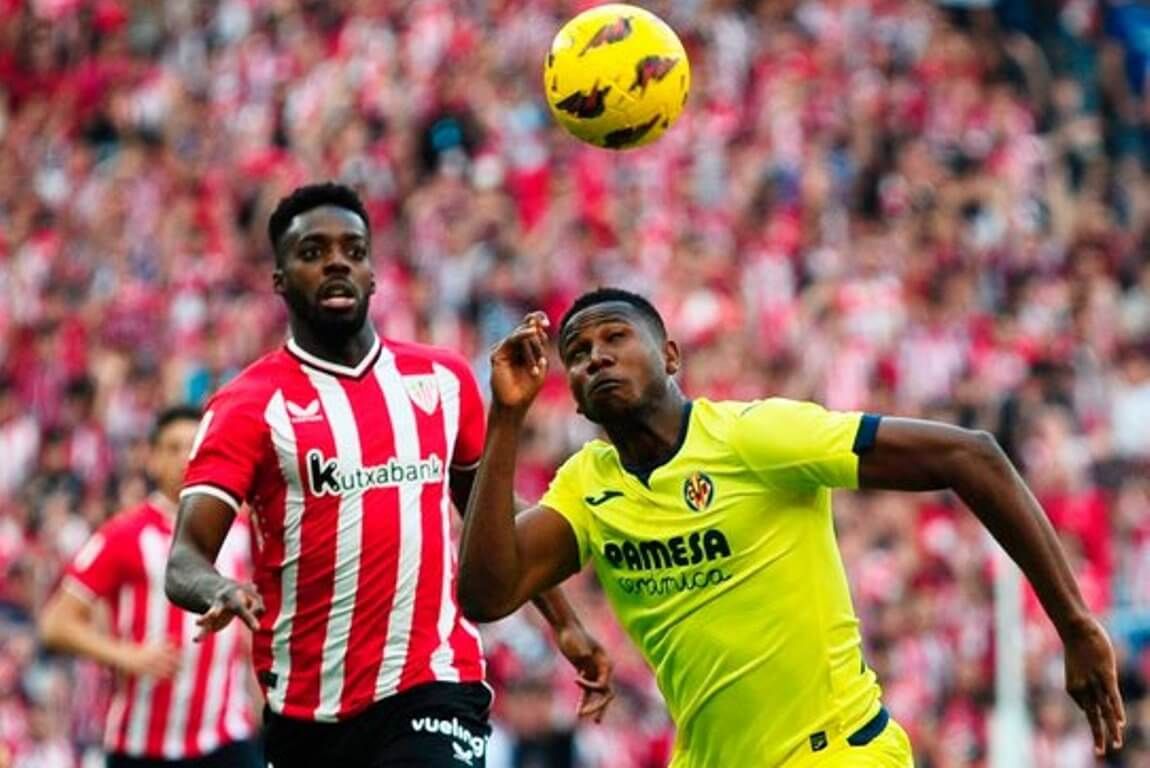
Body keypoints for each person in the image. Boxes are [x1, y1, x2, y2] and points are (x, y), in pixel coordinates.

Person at [456, 287, 1128, 767]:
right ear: (569, 394)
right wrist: (506, 418)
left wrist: (1073, 623)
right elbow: (487, 594)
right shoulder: (587, 483)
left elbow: (969, 454)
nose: (594, 356)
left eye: (614, 337)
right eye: (576, 352)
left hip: (836, 751)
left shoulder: (756, 437)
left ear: (669, 355)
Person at [164, 183, 612, 768]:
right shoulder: (248, 406)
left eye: (353, 250)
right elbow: (184, 559)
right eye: (312, 252)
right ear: (279, 279)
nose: (336, 263)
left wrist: (566, 625)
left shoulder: (442, 381)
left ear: (373, 273)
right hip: (307, 713)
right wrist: (218, 587)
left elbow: (490, 517)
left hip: (433, 683)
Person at [39, 405, 261, 768]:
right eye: (172, 448)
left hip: (225, 737)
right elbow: (55, 625)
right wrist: (126, 655)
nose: (184, 459)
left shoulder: (239, 531)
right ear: (152, 459)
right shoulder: (124, 535)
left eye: (193, 448)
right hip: (140, 743)